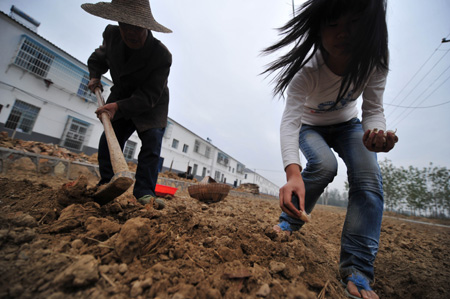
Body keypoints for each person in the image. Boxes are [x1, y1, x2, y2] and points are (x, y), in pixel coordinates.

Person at [263, 0, 398, 298]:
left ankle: (357, 270)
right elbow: (290, 123)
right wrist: (293, 173)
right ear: (319, 29)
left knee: (369, 177)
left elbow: (373, 108)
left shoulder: (375, 60)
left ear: (370, 28)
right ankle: (288, 222)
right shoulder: (307, 71)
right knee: (325, 166)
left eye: (353, 24)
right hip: (310, 126)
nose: (342, 34)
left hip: (350, 125)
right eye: (333, 25)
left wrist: (374, 133)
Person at [81, 0, 172, 207]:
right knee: (109, 139)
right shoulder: (112, 35)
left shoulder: (161, 55)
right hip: (121, 94)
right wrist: (95, 76)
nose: (131, 33)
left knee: (151, 145)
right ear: (119, 24)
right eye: (125, 26)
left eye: (137, 28)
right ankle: (108, 182)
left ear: (147, 27)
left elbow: (150, 95)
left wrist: (118, 107)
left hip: (151, 103)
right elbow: (98, 58)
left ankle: (144, 193)